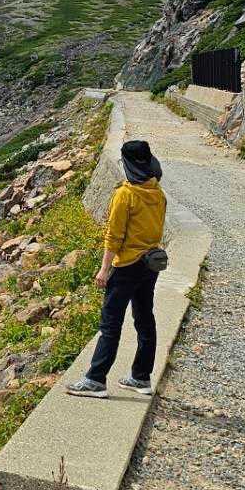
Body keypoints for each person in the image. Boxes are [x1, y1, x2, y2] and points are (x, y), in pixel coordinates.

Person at [66, 138, 167, 399]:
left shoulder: (126, 194)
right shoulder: (158, 193)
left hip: (127, 267)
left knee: (110, 323)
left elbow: (114, 236)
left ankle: (95, 380)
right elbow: (156, 230)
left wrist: (104, 269)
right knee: (145, 319)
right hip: (150, 265)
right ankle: (141, 377)